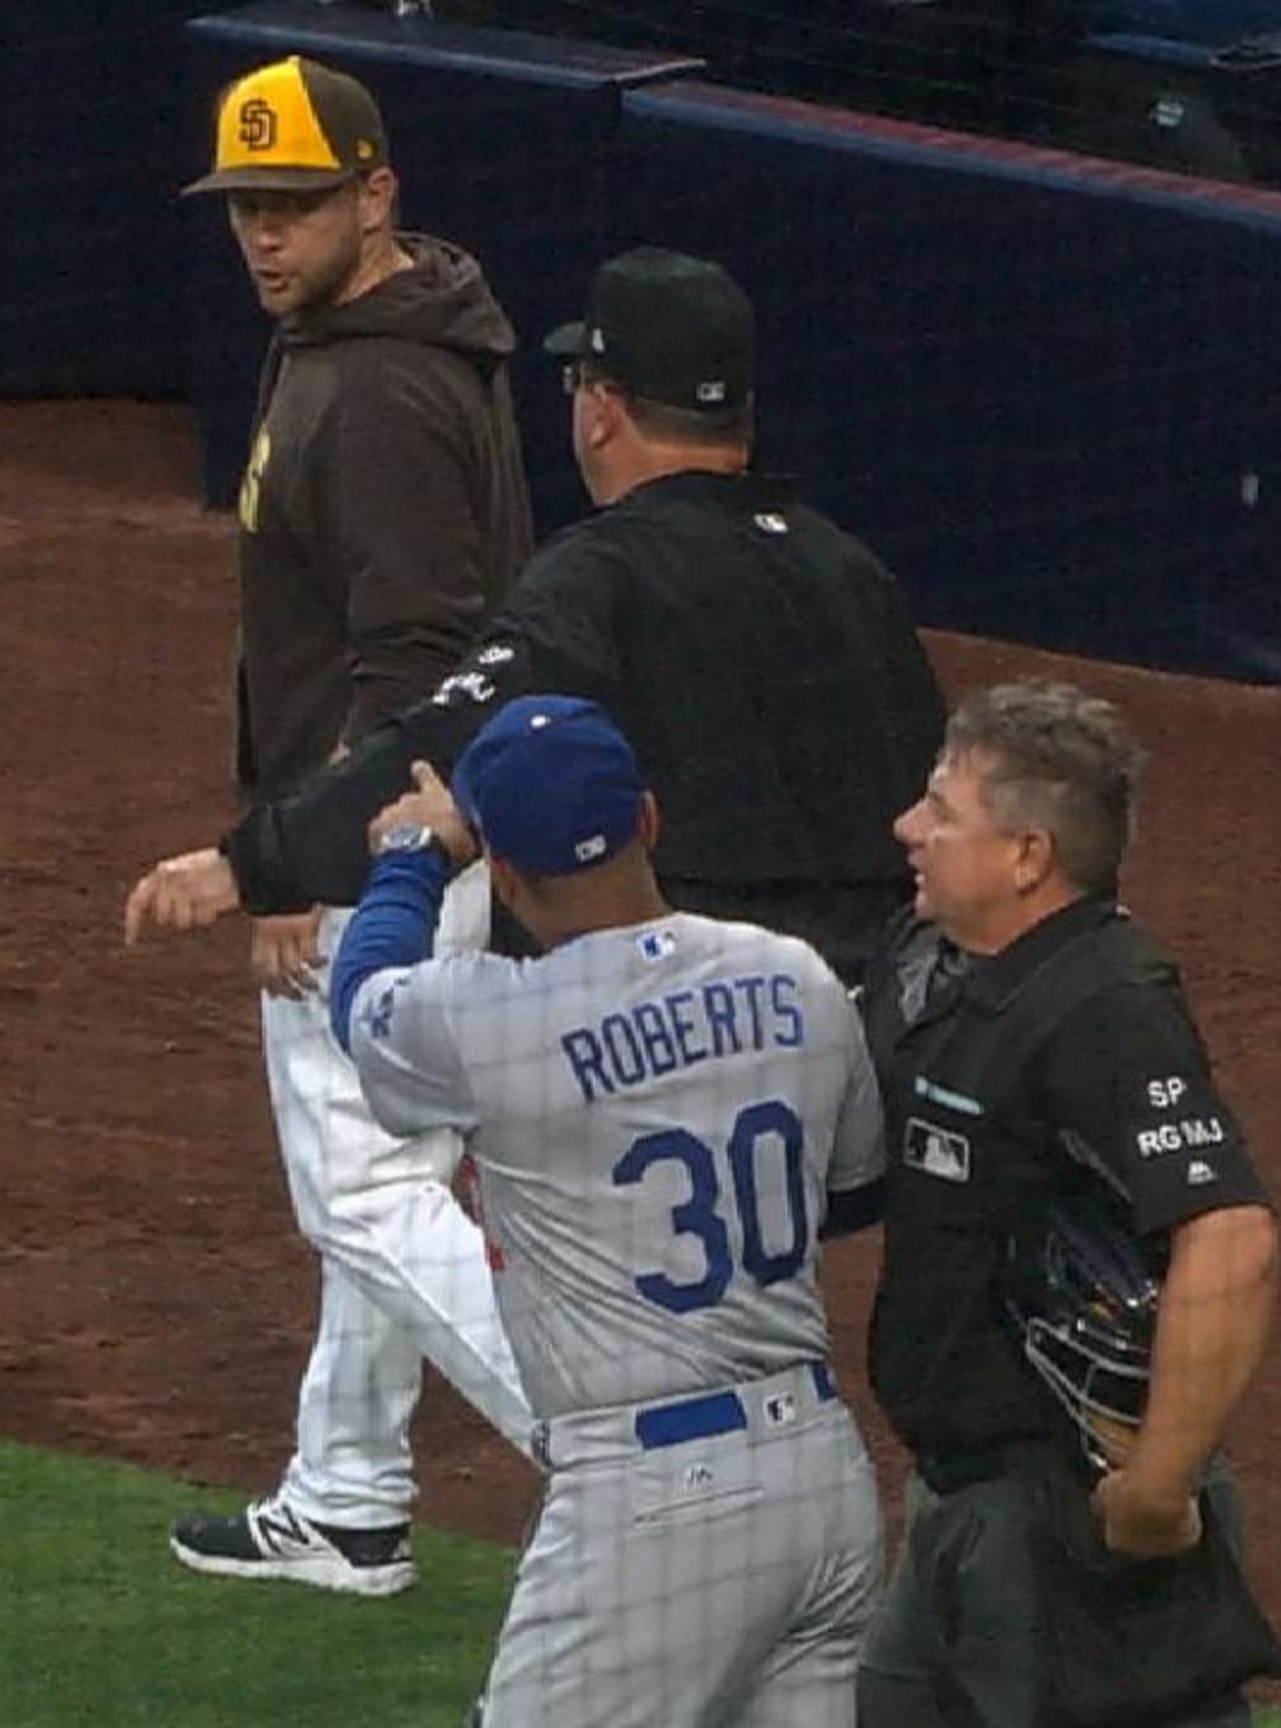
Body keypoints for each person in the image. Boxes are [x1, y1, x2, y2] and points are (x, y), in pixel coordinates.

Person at [125, 244, 948, 986]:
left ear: (601, 409)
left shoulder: (598, 576)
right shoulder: (854, 573)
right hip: (856, 1022)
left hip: (684, 1017)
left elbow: (444, 742)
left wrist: (253, 865)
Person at [156, 53, 539, 1597]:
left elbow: (415, 661)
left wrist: (310, 866)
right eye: (246, 206)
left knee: (367, 1190)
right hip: (422, 834)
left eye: (296, 205)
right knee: (389, 1169)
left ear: (375, 196)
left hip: (383, 847)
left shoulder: (374, 390)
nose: (264, 235)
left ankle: (622, 1463)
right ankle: (348, 1491)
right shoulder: (369, 333)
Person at [327, 695, 886, 1727]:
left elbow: (360, 1002)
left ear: (500, 873)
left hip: (659, 1506)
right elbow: (847, 1193)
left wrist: (409, 854)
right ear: (651, 820)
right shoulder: (794, 975)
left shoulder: (485, 1017)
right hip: (822, 1482)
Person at [847, 680, 1281, 1728]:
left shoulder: (1105, 1008)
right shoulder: (952, 972)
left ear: (1027, 857)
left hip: (1063, 1515)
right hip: (963, 1498)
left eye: (942, 812)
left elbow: (1232, 1238)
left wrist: (1154, 1491)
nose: (909, 828)